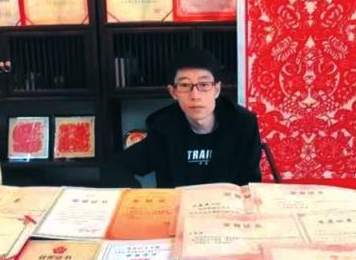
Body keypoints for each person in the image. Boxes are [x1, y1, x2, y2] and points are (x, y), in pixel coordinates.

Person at [109, 48, 262, 188]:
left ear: (216, 89)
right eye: (184, 85)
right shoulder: (163, 126)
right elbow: (117, 167)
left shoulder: (243, 124)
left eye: (204, 84)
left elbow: (250, 183)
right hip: (178, 207)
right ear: (173, 92)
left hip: (226, 207)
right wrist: (138, 199)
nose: (195, 95)